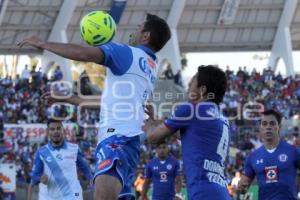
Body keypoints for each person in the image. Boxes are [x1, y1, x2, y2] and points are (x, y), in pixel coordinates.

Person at [18, 13, 171, 200]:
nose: (133, 31)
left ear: (146, 36)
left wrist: (43, 44)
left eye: (138, 27)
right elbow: (105, 103)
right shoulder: (150, 66)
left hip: (116, 140)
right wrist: (68, 98)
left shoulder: (126, 53)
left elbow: (83, 54)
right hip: (128, 144)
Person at [146, 65, 230, 200]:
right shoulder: (223, 118)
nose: (189, 83)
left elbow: (152, 138)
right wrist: (156, 119)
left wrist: (148, 121)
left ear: (202, 90)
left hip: (202, 192)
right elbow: (187, 136)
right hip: (221, 192)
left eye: (194, 80)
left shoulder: (191, 109)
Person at [238, 109, 300, 200]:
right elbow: (244, 185)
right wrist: (241, 187)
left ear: (279, 126)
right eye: (264, 124)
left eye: (272, 123)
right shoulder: (252, 157)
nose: (268, 127)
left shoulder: (293, 151)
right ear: (260, 128)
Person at [27, 119, 92, 200]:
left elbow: (85, 167)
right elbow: (34, 178)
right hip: (50, 196)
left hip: (73, 195)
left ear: (63, 130)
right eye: (52, 129)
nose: (56, 131)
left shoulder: (74, 148)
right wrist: (40, 178)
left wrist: (92, 181)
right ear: (48, 132)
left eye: (58, 128)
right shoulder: (41, 152)